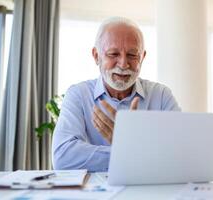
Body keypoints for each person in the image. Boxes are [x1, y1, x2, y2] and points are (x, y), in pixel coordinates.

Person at [52, 17, 180, 172]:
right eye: (113, 54)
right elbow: (63, 157)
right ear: (96, 56)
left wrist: (129, 147)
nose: (123, 64)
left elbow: (179, 153)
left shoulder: (161, 96)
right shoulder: (78, 95)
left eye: (133, 55)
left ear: (143, 57)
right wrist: (126, 151)